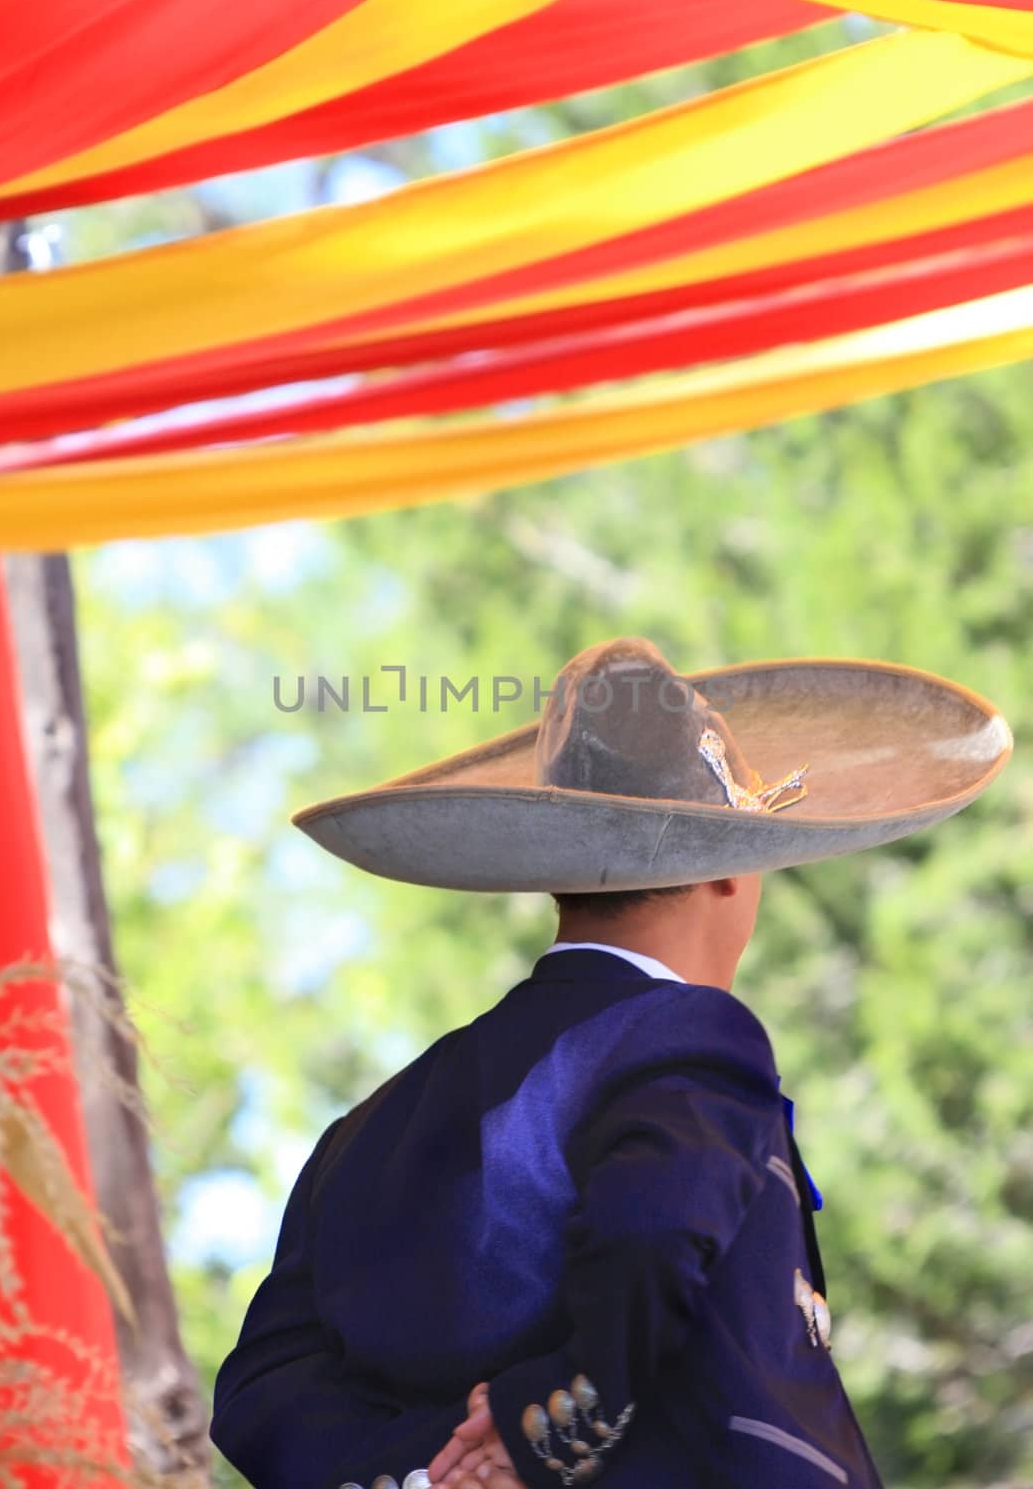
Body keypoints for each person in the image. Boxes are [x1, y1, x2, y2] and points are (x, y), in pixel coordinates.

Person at [209, 638, 1011, 1489]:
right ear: (733, 872)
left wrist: (423, 1475)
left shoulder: (362, 1129)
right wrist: (541, 1429)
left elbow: (261, 1389)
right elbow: (656, 1229)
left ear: (560, 879)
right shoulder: (692, 1034)